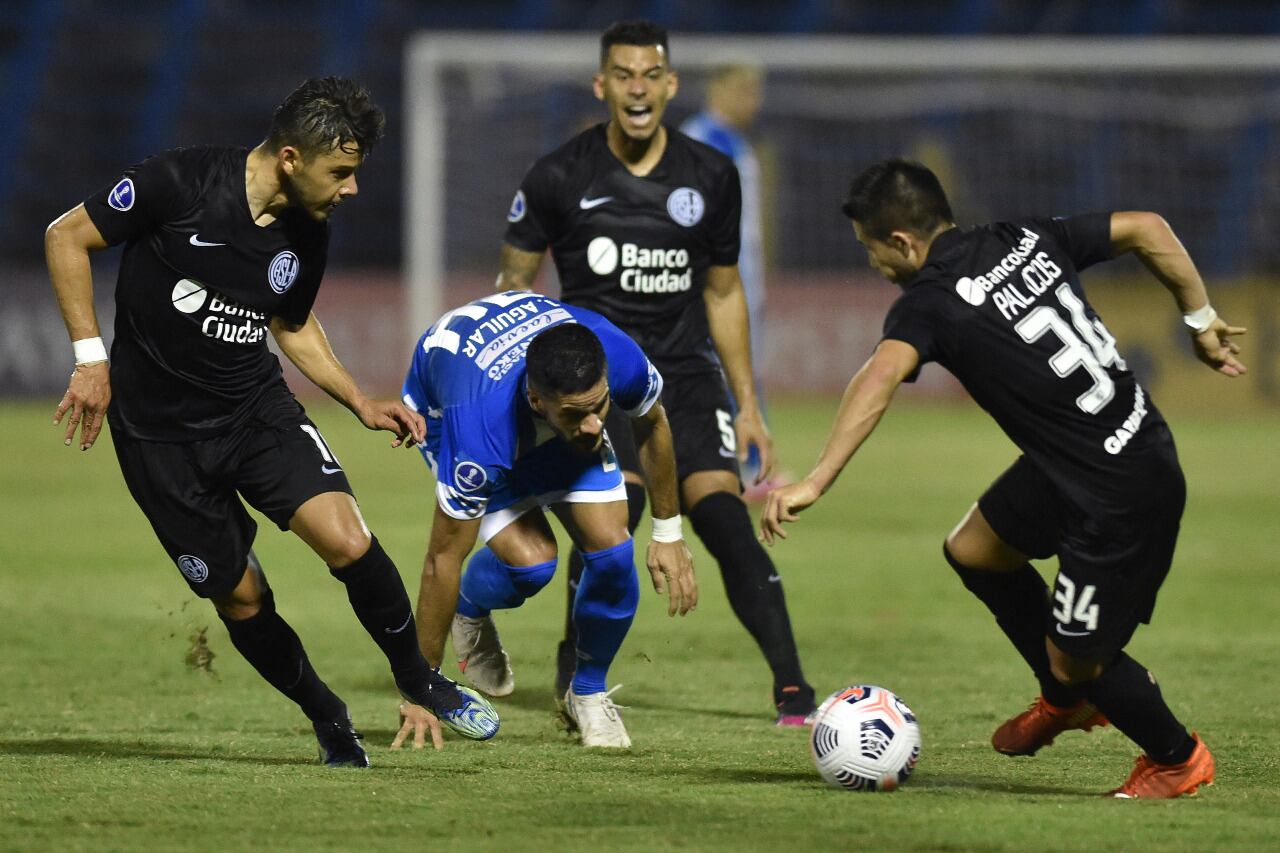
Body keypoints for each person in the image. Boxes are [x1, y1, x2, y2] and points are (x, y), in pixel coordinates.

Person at [46, 76, 498, 767]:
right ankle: (328, 716)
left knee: (348, 539)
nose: (351, 189)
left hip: (254, 413)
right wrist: (89, 360)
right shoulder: (177, 181)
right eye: (341, 171)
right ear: (291, 158)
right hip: (159, 438)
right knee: (242, 595)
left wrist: (359, 399)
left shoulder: (307, 233)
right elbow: (65, 237)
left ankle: (416, 676)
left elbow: (290, 323)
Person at [761, 158, 1245, 798]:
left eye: (872, 250)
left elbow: (878, 377)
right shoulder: (1024, 238)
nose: (873, 265)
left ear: (903, 242)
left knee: (1077, 658)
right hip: (1096, 456)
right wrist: (1199, 317)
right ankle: (1063, 700)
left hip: (1118, 492)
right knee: (976, 549)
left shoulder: (931, 302)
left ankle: (1175, 757)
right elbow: (1149, 227)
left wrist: (816, 480)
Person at [496, 19, 816, 725]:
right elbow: (512, 293)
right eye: (623, 75)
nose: (637, 88)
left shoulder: (710, 174)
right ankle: (578, 668)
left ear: (669, 86)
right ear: (601, 85)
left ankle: (793, 686)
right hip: (599, 380)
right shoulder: (558, 175)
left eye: (650, 75)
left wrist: (750, 403)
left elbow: (725, 294)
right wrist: (529, 396)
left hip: (685, 375)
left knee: (725, 519)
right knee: (618, 516)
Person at [393, 292, 697, 748]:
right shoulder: (477, 436)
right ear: (537, 399)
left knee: (614, 553)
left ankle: (588, 692)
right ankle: (469, 608)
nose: (595, 426)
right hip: (449, 405)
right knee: (531, 566)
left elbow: (652, 422)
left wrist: (669, 532)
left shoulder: (617, 356)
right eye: (578, 413)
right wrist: (422, 687)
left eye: (601, 406)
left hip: (530, 406)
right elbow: (442, 558)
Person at [679, 62, 782, 499]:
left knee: (736, 368)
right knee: (725, 369)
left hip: (742, 276)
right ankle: (749, 466)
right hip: (712, 281)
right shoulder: (699, 140)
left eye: (755, 91)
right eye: (743, 90)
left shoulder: (735, 142)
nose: (752, 101)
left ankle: (740, 464)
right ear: (717, 89)